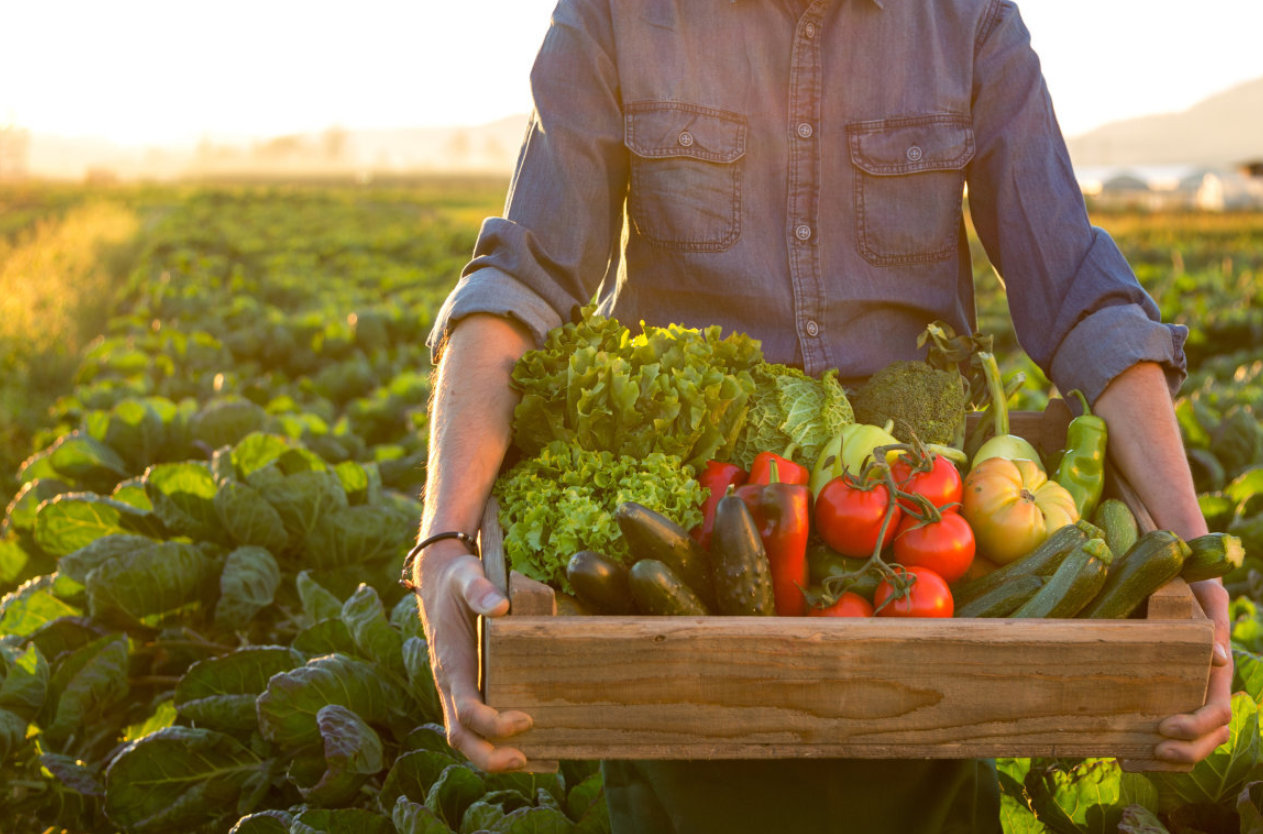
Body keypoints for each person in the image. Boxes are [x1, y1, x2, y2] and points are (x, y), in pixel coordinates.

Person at [411, 0, 1234, 831]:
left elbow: (1078, 292)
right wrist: (443, 541)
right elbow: (520, 281)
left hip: (918, 547)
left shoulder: (967, 18)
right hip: (692, 554)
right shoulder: (617, 13)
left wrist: (1186, 546)